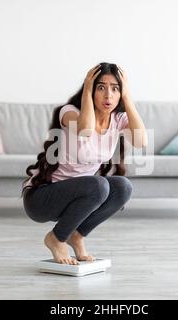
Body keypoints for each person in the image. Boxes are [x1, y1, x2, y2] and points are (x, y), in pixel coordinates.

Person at [22, 62, 147, 265]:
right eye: (101, 87)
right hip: (42, 198)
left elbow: (142, 142)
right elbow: (85, 130)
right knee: (99, 185)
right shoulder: (69, 112)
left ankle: (76, 235)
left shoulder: (118, 119)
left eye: (115, 88)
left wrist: (127, 97)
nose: (108, 95)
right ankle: (56, 238)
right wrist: (87, 90)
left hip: (78, 197)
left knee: (123, 187)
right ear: (90, 89)